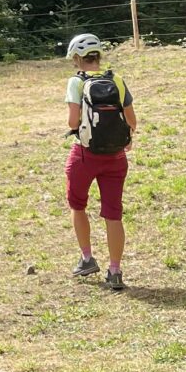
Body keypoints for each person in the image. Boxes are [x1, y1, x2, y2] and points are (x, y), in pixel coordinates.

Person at [63, 33, 136, 292]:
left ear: (76, 58)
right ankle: (115, 271)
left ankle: (86, 258)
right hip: (116, 157)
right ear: (99, 55)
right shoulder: (116, 79)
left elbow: (73, 123)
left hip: (85, 155)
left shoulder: (76, 82)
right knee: (113, 214)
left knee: (77, 205)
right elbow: (132, 121)